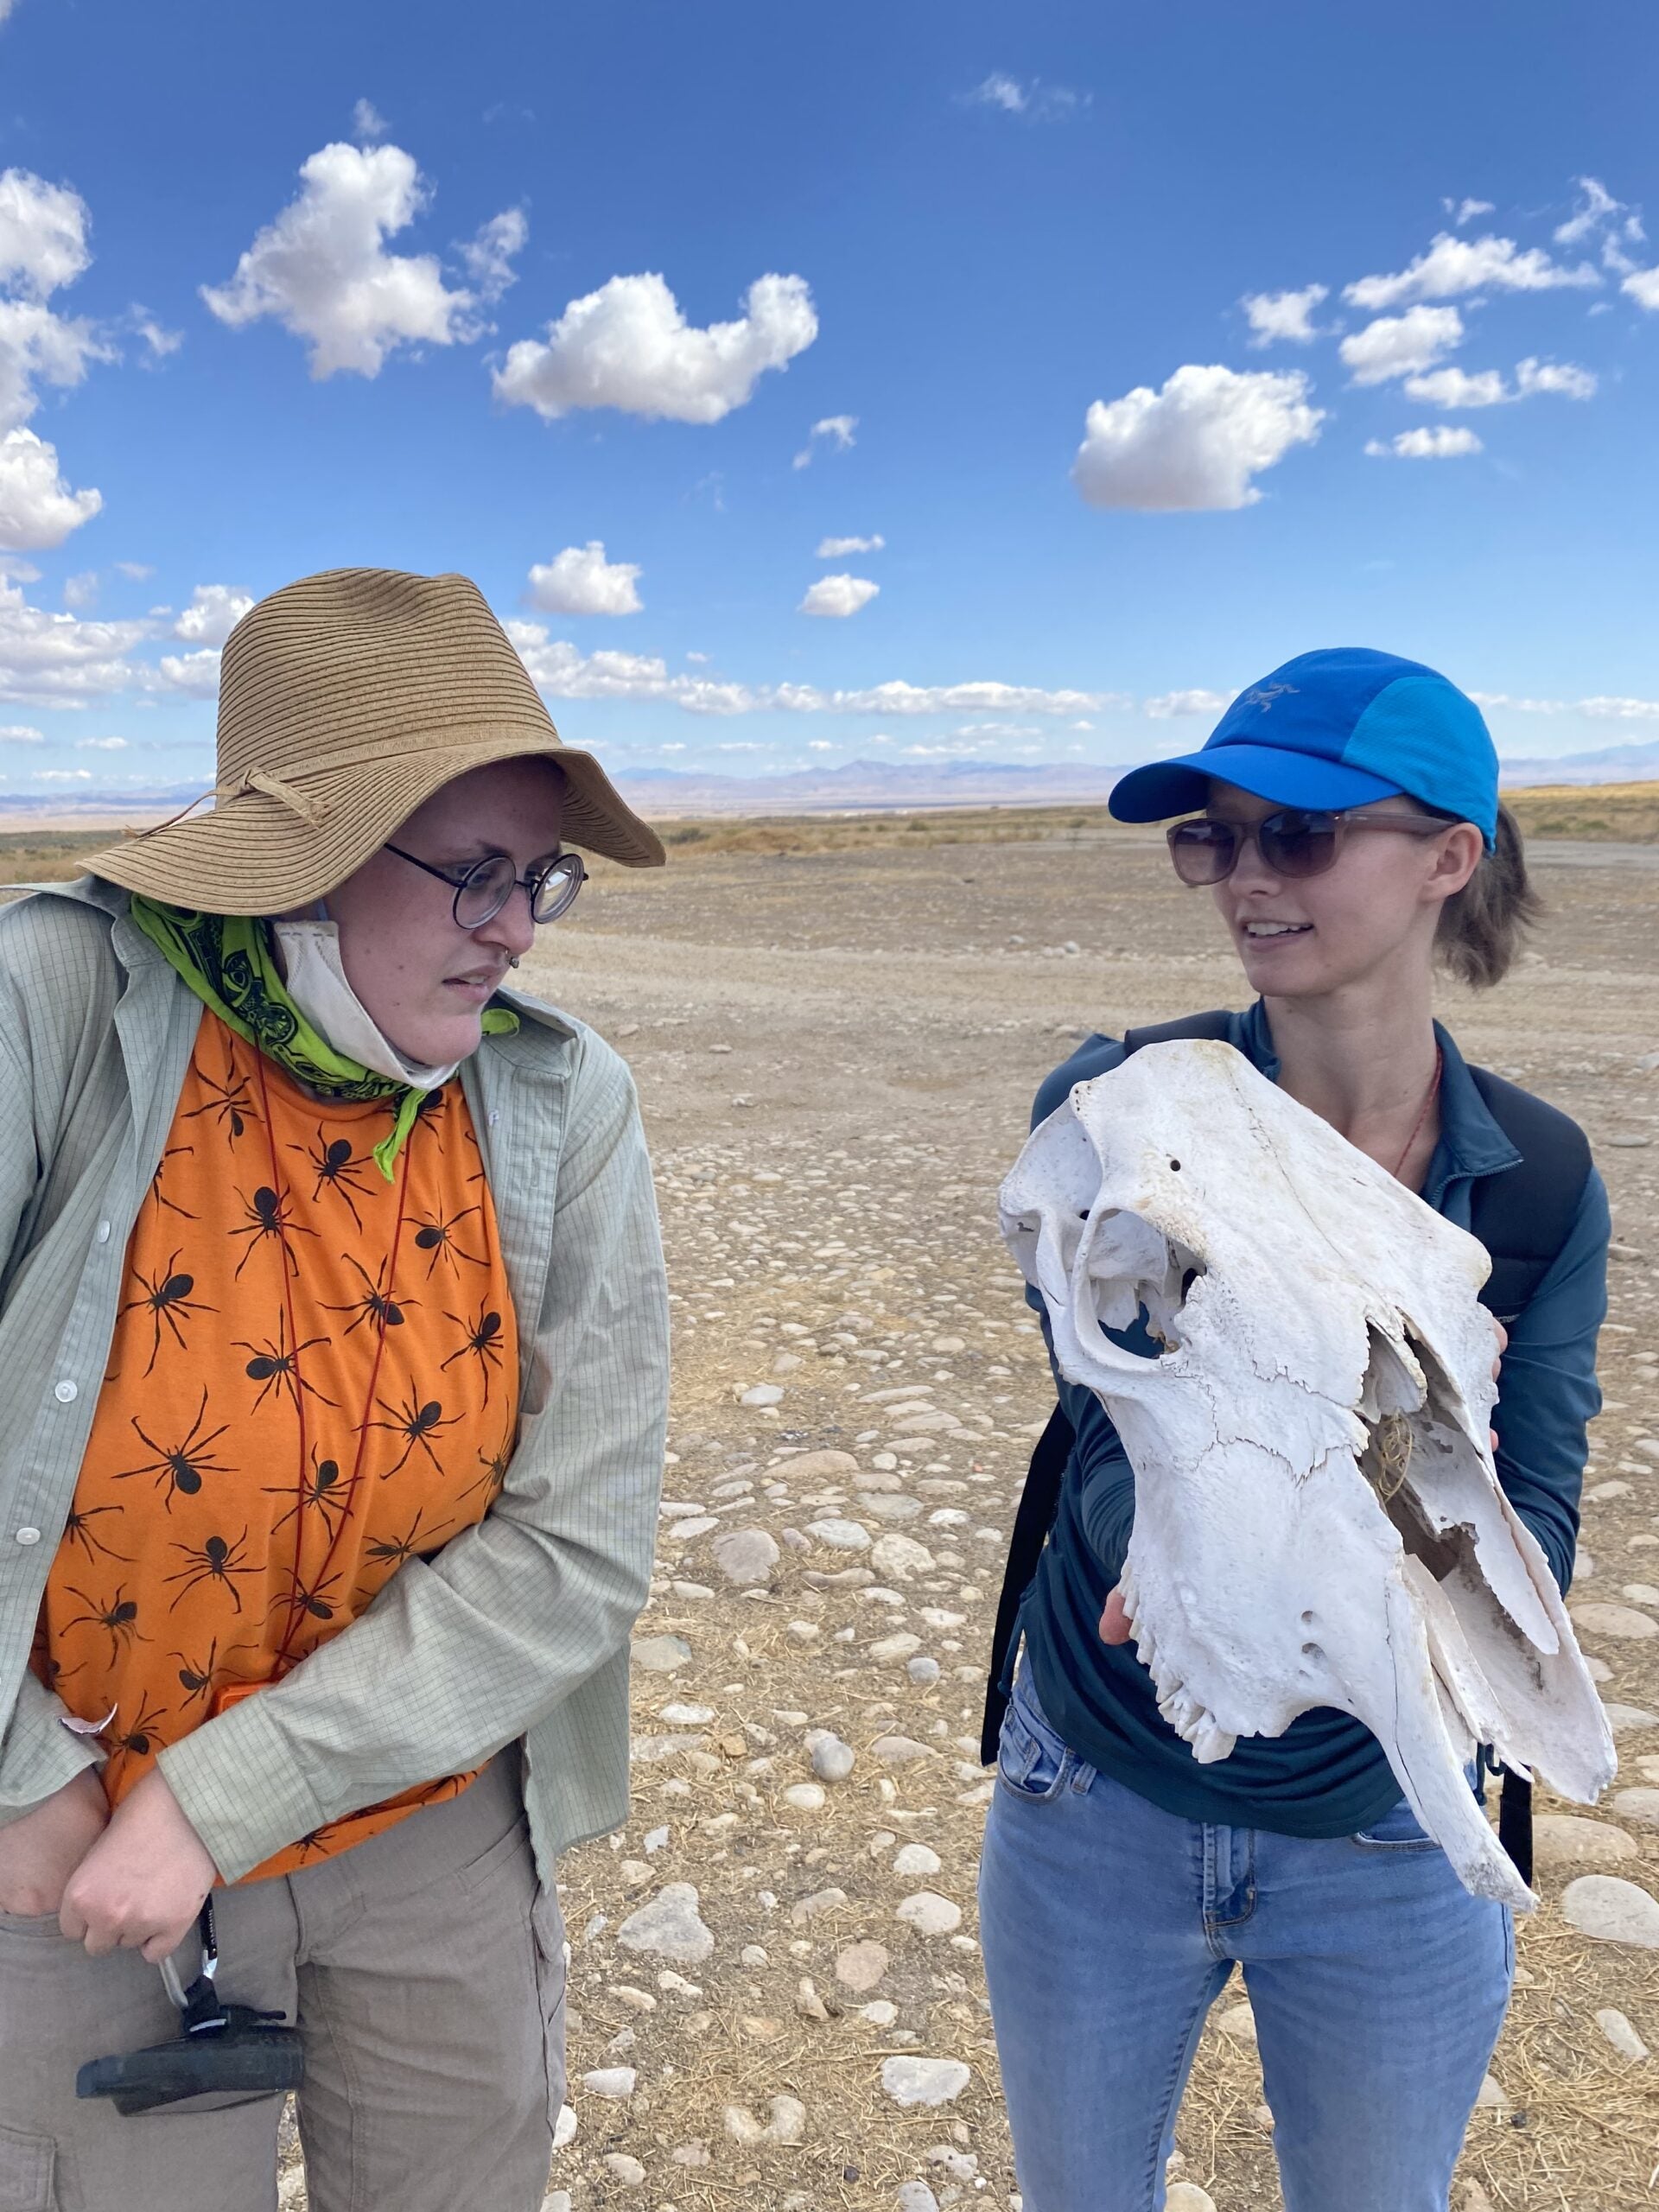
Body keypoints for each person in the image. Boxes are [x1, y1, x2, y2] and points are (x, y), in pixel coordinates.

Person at [0, 568, 671, 2212]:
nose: (513, 928)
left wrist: (235, 1797)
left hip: (423, 1820)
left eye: (542, 879)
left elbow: (578, 1546)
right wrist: (14, 1772)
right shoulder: (56, 1004)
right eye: (472, 874)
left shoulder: (557, 1098)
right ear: (297, 868)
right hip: (61, 1846)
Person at [977, 650, 1608, 2212]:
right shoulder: (1128, 1118)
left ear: (1449, 858)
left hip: (1393, 1830)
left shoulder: (1533, 1181)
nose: (1245, 878)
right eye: (1217, 836)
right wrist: (1187, 1562)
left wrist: (1380, 1629)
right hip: (1098, 1792)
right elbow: (1111, 1411)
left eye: (1300, 836)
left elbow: (1534, 1491)